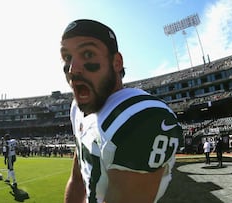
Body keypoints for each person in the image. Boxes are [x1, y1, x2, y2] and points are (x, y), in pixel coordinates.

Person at [61, 19, 183, 203]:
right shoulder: (76, 109)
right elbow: (78, 180)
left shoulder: (140, 118)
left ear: (116, 62)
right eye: (67, 57)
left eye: (87, 54)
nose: (73, 69)